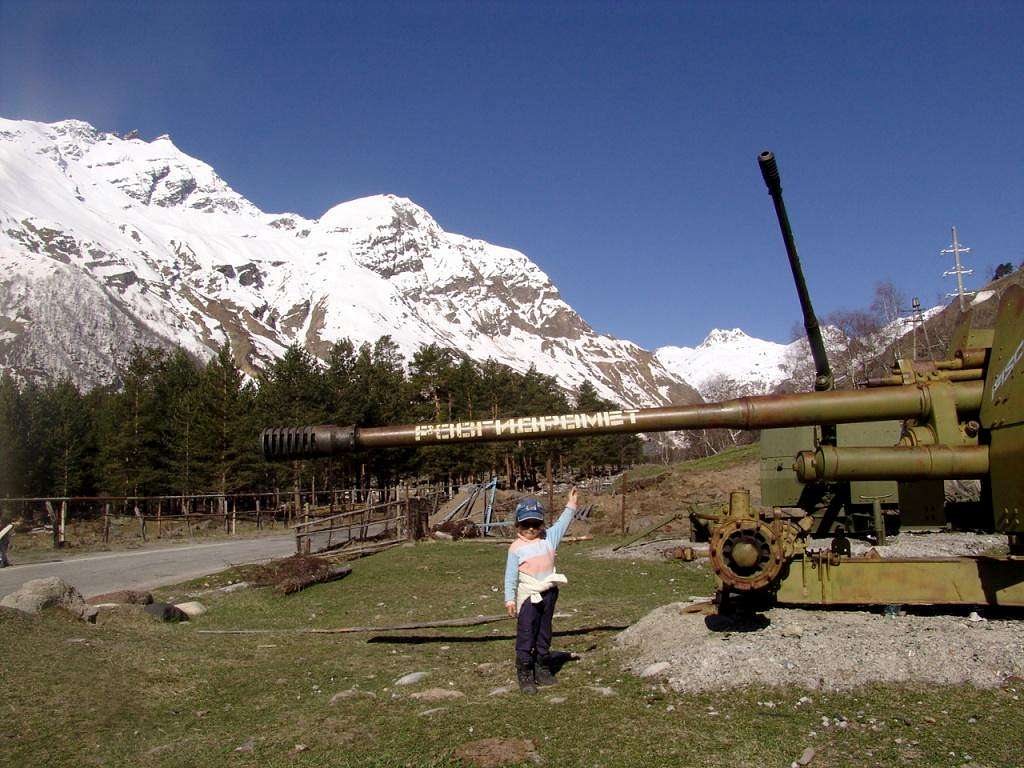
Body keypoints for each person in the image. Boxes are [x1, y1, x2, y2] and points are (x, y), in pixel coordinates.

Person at [503, 487, 579, 694]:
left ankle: (542, 667)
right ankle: (525, 671)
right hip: (528, 595)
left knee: (544, 631)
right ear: (518, 525)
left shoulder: (549, 538)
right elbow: (510, 577)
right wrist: (510, 600)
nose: (531, 528)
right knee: (527, 632)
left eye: (535, 524)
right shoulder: (516, 548)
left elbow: (563, 524)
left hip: (549, 593)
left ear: (541, 524)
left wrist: (571, 504)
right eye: (526, 524)